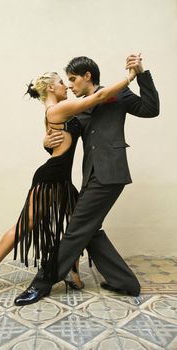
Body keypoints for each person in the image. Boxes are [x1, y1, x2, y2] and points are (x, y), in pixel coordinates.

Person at [0, 64, 136, 297]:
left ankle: (71, 272)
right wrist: (130, 77)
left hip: (63, 180)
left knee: (80, 225)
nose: (66, 85)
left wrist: (45, 143)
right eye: (60, 82)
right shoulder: (60, 108)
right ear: (49, 87)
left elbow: (56, 142)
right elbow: (100, 96)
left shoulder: (59, 109)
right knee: (24, 227)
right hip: (49, 178)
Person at [14, 54, 159, 306]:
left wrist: (141, 74)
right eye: (66, 81)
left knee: (76, 230)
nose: (70, 85)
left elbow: (151, 110)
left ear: (87, 76)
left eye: (72, 79)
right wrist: (47, 143)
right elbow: (65, 140)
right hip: (90, 175)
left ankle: (41, 284)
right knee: (91, 230)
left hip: (111, 173)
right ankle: (125, 283)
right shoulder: (78, 109)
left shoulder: (117, 94)